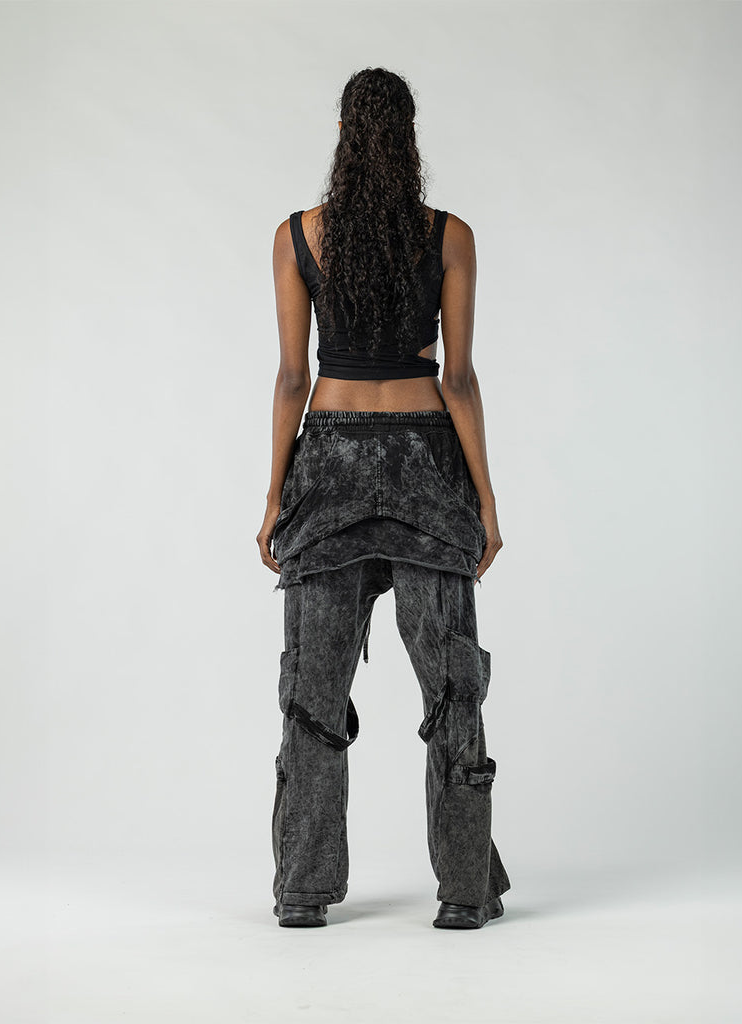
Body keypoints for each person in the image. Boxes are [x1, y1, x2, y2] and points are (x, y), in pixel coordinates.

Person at [258, 67, 512, 929]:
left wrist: (274, 498)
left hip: (327, 464)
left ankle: (302, 892)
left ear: (342, 132)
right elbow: (459, 378)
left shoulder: (298, 235)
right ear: (407, 137)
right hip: (423, 463)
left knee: (313, 691)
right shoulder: (449, 235)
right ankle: (464, 892)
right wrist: (484, 500)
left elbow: (292, 378)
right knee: (451, 687)